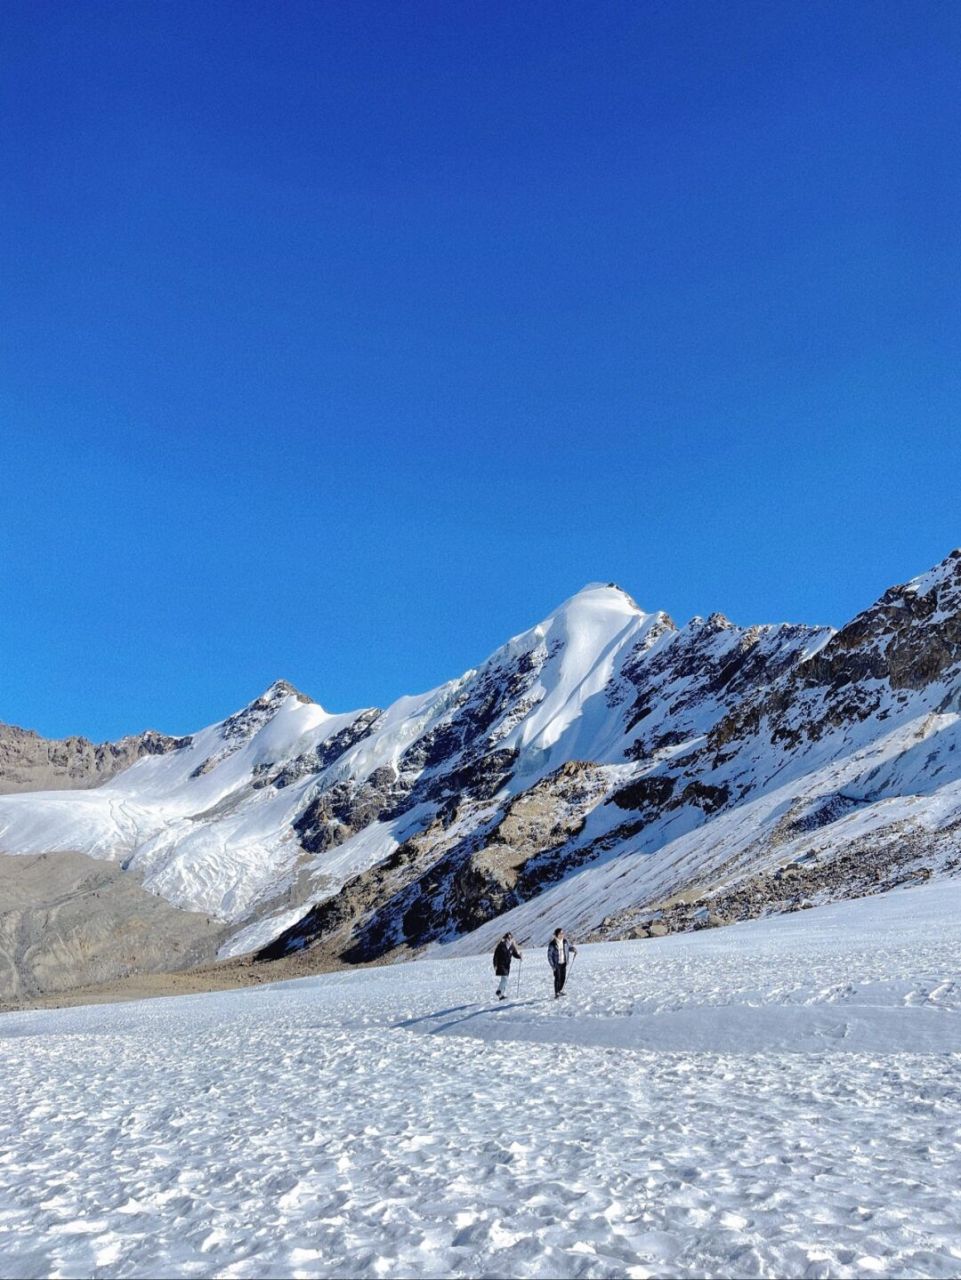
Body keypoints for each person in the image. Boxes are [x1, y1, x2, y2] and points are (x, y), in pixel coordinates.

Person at [547, 928, 577, 998]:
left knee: (563, 978)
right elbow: (549, 955)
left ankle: (560, 990)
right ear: (557, 935)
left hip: (564, 963)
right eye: (560, 934)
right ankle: (556, 993)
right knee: (558, 978)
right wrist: (552, 966)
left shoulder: (565, 942)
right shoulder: (552, 944)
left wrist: (573, 949)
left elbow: (568, 948)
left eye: (563, 933)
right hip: (556, 964)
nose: (562, 935)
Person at [492, 931, 522, 1000]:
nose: (509, 939)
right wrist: (495, 964)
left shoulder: (512, 946)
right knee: (505, 979)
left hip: (507, 965)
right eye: (508, 938)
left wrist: (519, 956)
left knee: (505, 980)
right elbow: (496, 956)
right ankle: (499, 991)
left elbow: (514, 954)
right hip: (501, 964)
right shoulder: (501, 946)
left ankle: (501, 995)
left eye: (511, 938)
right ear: (505, 938)